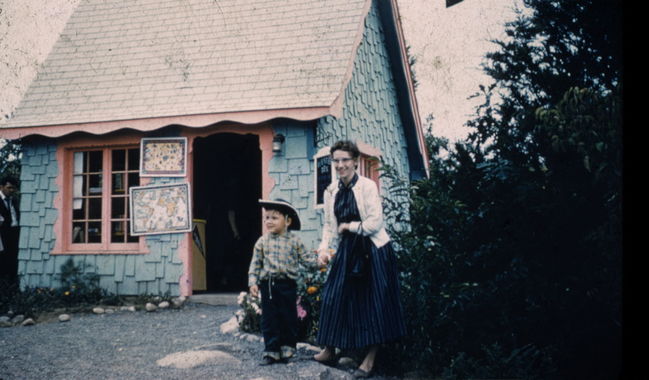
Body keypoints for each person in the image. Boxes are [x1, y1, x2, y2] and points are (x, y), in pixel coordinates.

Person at [314, 140, 406, 378]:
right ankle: (329, 349)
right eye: (336, 160)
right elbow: (328, 226)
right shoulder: (331, 191)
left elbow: (376, 223)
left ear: (355, 161)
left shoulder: (367, 186)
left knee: (372, 303)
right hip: (348, 250)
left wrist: (350, 226)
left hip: (373, 250)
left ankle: (370, 358)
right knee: (334, 296)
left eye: (345, 160)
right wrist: (324, 249)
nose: (340, 165)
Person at [248, 199, 315, 365]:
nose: (269, 221)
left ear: (288, 221)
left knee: (288, 317)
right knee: (270, 318)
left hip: (288, 285)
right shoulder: (262, 242)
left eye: (274, 218)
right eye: (267, 218)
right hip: (269, 285)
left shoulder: (295, 241)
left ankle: (287, 349)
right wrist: (253, 282)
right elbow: (255, 264)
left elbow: (307, 260)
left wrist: (321, 262)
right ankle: (271, 351)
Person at [0, 176, 20, 286]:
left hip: (14, 231)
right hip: (2, 233)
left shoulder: (14, 199)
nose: (11, 190)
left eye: (13, 188)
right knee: (3, 258)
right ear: (1, 187)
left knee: (13, 257)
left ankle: (12, 284)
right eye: (9, 187)